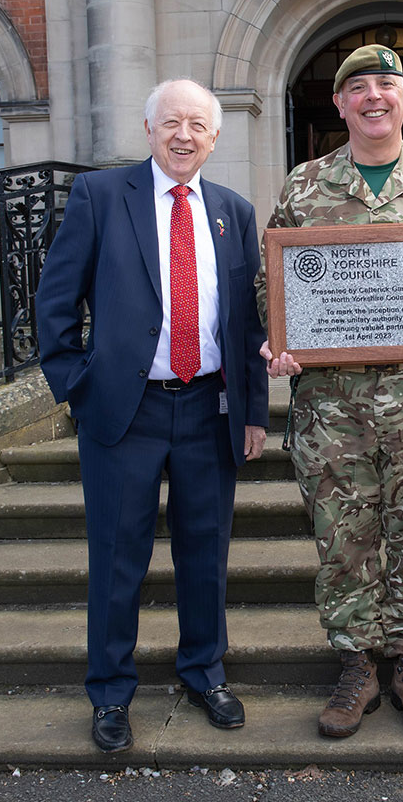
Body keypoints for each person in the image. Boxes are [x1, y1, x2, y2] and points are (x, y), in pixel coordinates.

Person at [257, 44, 403, 738]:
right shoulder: (305, 186)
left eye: (386, 84)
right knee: (343, 538)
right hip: (331, 408)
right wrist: (273, 337)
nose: (372, 97)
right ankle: (357, 663)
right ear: (339, 104)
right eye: (357, 87)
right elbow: (268, 287)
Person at [36, 79, 269, 753]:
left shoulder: (234, 210)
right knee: (117, 558)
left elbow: (245, 319)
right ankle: (110, 690)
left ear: (215, 137)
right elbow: (55, 303)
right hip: (124, 412)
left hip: (208, 407)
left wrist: (251, 409)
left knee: (207, 553)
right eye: (171, 122)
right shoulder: (101, 197)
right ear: (148, 128)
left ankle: (204, 671)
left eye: (198, 125)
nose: (184, 135)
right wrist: (78, 385)